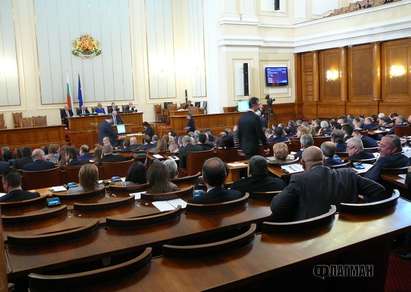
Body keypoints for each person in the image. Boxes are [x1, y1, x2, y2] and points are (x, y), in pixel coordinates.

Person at [270, 146, 386, 222]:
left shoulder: (299, 179)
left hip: (315, 233)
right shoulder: (348, 174)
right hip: (348, 231)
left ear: (302, 163)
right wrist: (360, 212)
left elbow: (277, 206)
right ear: (324, 161)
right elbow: (379, 190)